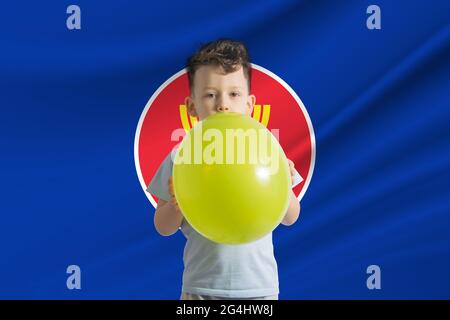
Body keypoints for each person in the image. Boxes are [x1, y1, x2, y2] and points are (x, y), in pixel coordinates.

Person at [147, 39, 302, 300]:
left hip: (259, 289)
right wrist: (176, 205)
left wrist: (283, 185)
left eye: (234, 94)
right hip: (201, 288)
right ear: (192, 106)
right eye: (210, 95)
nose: (223, 104)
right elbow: (162, 227)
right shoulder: (182, 156)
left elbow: (290, 217)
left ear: (250, 105)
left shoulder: (266, 150)